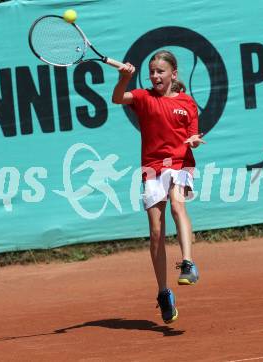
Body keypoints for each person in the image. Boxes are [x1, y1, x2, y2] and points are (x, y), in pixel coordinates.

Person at [112, 50, 205, 324]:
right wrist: (123, 78)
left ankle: (188, 263)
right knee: (155, 232)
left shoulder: (187, 103)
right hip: (152, 168)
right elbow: (118, 98)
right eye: (152, 72)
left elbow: (193, 134)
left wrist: (196, 141)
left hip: (180, 162)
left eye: (160, 71)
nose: (155, 76)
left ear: (173, 74)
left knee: (178, 205)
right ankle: (164, 293)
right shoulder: (143, 97)